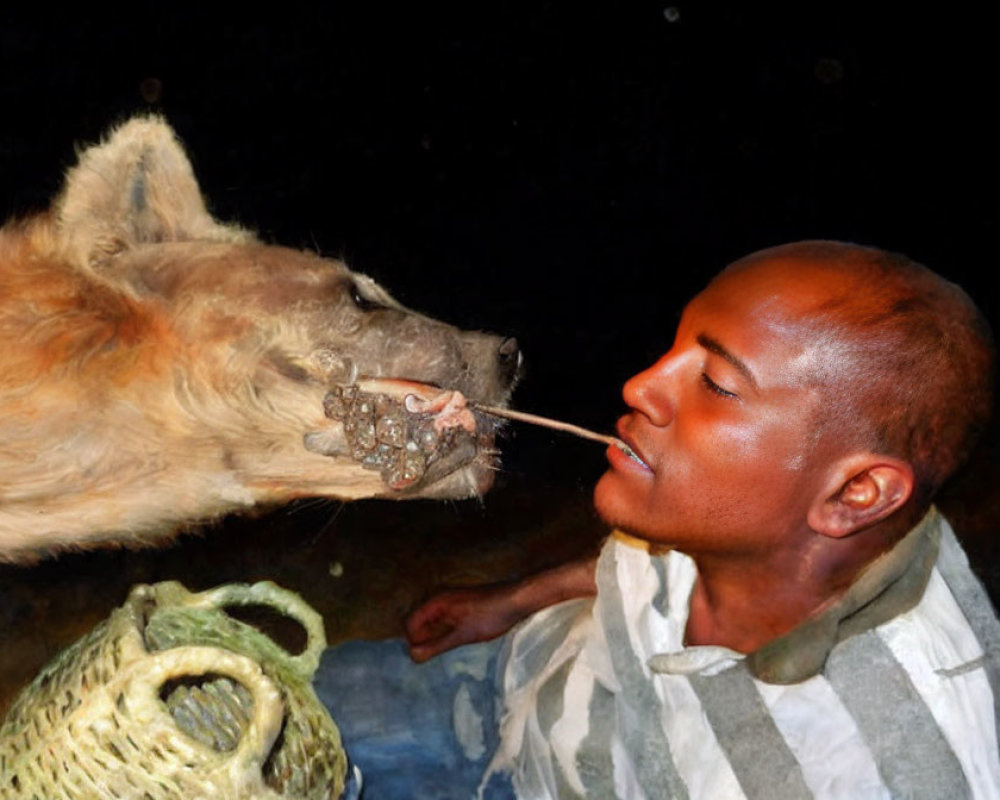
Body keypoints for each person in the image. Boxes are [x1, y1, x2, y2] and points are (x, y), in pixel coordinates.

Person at [317, 241, 1000, 799]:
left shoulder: (882, 766)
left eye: (716, 385)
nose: (640, 386)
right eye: (677, 349)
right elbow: (647, 563)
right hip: (508, 686)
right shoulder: (749, 524)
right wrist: (507, 604)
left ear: (857, 493)